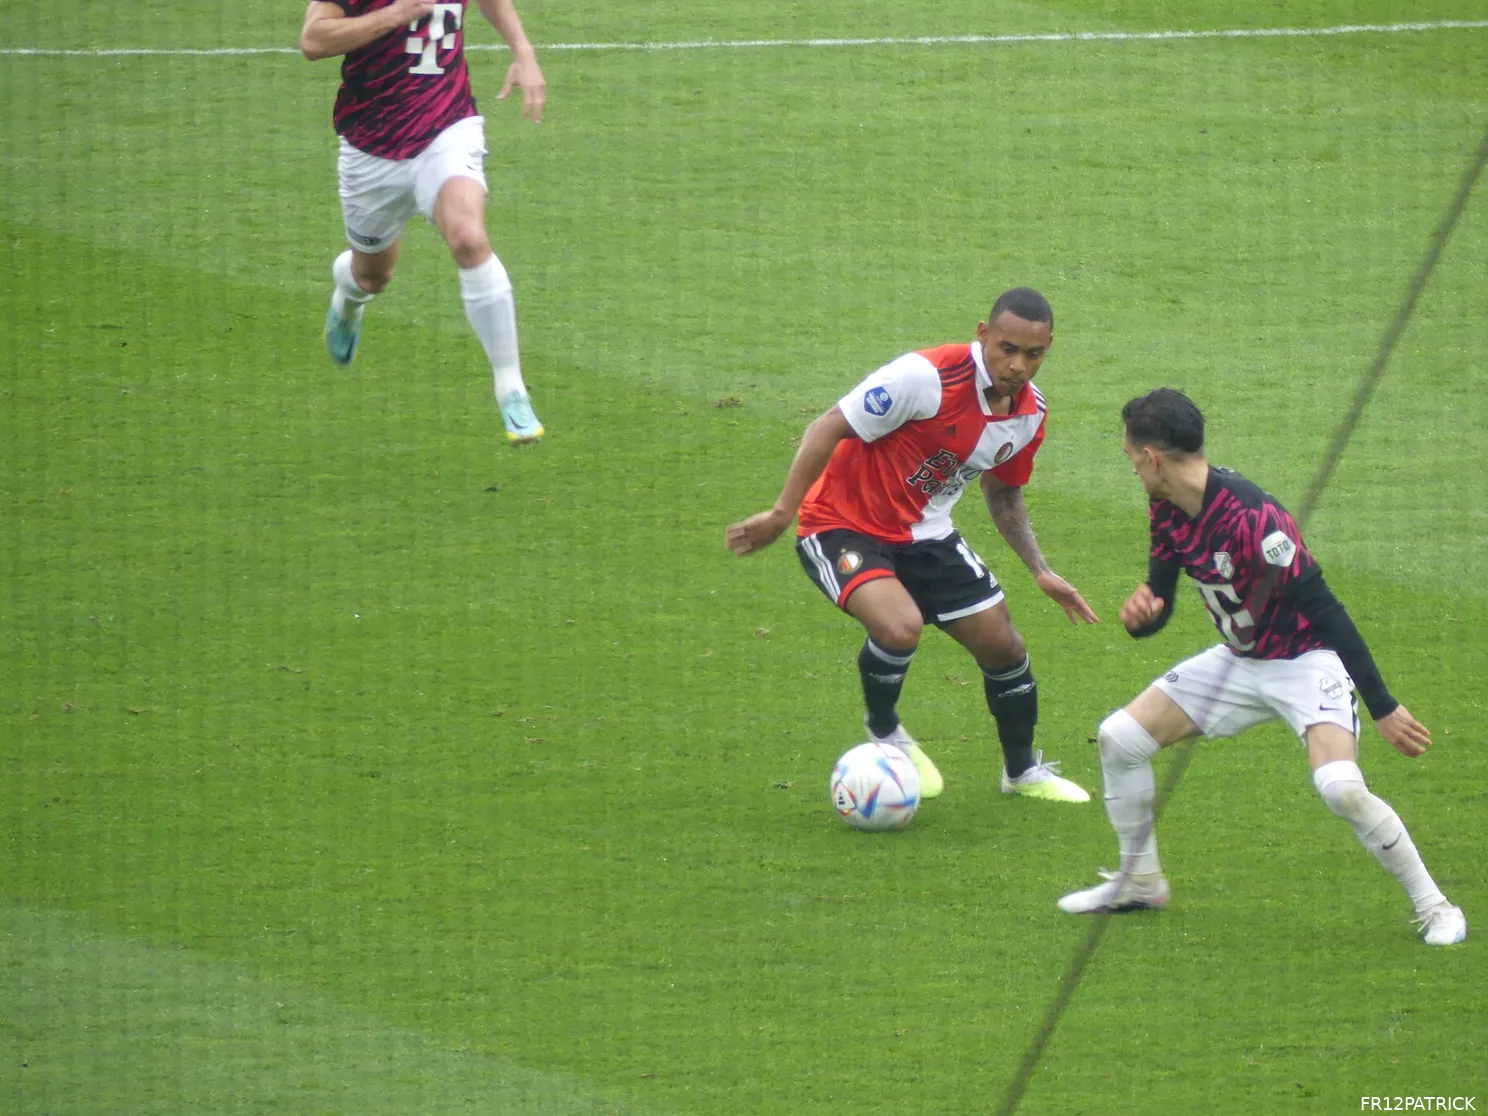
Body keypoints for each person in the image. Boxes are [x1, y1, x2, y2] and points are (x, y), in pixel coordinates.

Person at [1058, 388, 1466, 946]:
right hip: (1240, 661)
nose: (1131, 467)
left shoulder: (1255, 520)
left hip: (1304, 661)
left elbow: (1326, 609)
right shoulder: (1167, 505)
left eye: (1131, 456)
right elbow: (1161, 595)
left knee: (1339, 788)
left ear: (1151, 456)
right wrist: (1143, 615)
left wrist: (1384, 707)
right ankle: (1140, 882)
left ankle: (1437, 906)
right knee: (1120, 738)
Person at [727, 288, 1099, 803]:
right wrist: (780, 513)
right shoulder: (925, 377)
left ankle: (1021, 773)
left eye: (1034, 354)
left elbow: (1004, 493)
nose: (1018, 365)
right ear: (983, 335)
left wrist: (1040, 568)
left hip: (928, 534)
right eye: (1008, 349)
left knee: (1004, 646)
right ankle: (884, 732)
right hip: (841, 523)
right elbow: (827, 426)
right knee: (900, 626)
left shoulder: (1030, 413)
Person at [300, 0, 546, 445]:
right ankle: (348, 295)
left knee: (468, 237)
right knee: (373, 277)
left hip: (447, 128)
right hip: (371, 149)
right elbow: (313, 40)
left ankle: (511, 389)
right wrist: (397, 13)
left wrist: (523, 51)